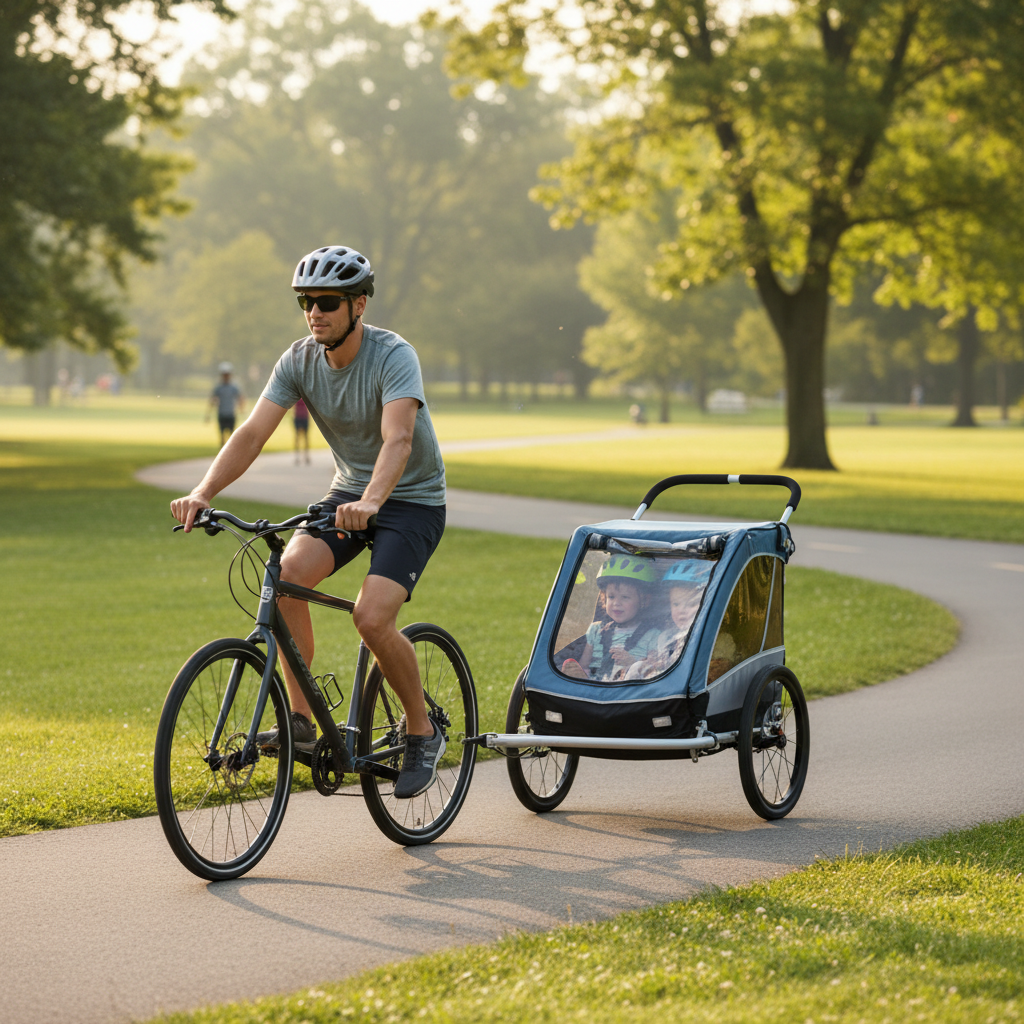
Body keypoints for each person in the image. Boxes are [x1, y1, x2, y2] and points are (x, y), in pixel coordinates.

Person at [171, 245, 448, 799]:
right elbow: (252, 434)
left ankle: (421, 733)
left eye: (326, 301)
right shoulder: (297, 360)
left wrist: (372, 502)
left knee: (371, 618)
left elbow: (398, 438)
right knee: (286, 577)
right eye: (305, 301)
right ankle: (300, 719)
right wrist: (203, 491)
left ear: (358, 305)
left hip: (412, 500)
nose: (314, 312)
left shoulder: (394, 356)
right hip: (347, 495)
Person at [561, 556, 661, 681]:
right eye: (611, 597)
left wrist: (632, 663)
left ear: (644, 601)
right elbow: (584, 664)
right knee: (573, 669)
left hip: (627, 686)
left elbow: (653, 671)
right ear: (604, 598)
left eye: (625, 597)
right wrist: (578, 672)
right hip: (594, 682)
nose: (616, 603)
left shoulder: (653, 636)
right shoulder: (596, 629)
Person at [623, 559, 712, 680]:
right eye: (676, 604)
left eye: (691, 604)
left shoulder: (710, 640)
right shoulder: (666, 637)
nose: (681, 610)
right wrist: (652, 663)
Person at [206, 362, 244, 447]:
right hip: (222, 414)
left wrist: (241, 409)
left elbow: (240, 398)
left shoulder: (234, 387)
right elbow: (212, 400)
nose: (226, 376)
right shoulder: (219, 387)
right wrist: (208, 413)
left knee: (232, 437)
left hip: (231, 414)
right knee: (222, 437)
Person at [293, 397, 311, 465]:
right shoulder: (296, 396)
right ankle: (297, 456)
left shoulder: (305, 396)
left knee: (306, 438)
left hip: (304, 417)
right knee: (297, 438)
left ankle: (306, 456)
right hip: (298, 418)